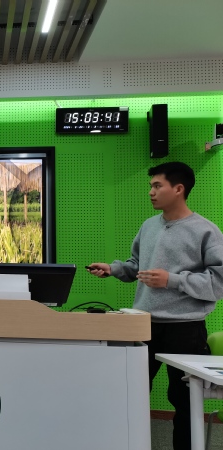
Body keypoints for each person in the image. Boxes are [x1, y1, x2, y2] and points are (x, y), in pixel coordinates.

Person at [88, 161, 223, 450]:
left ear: (179, 189)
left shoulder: (205, 231)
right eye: (151, 186)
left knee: (185, 402)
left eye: (157, 186)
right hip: (143, 327)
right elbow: (137, 266)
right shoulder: (148, 226)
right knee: (130, 396)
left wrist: (172, 280)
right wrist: (114, 269)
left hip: (186, 331)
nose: (151, 192)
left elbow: (218, 282)